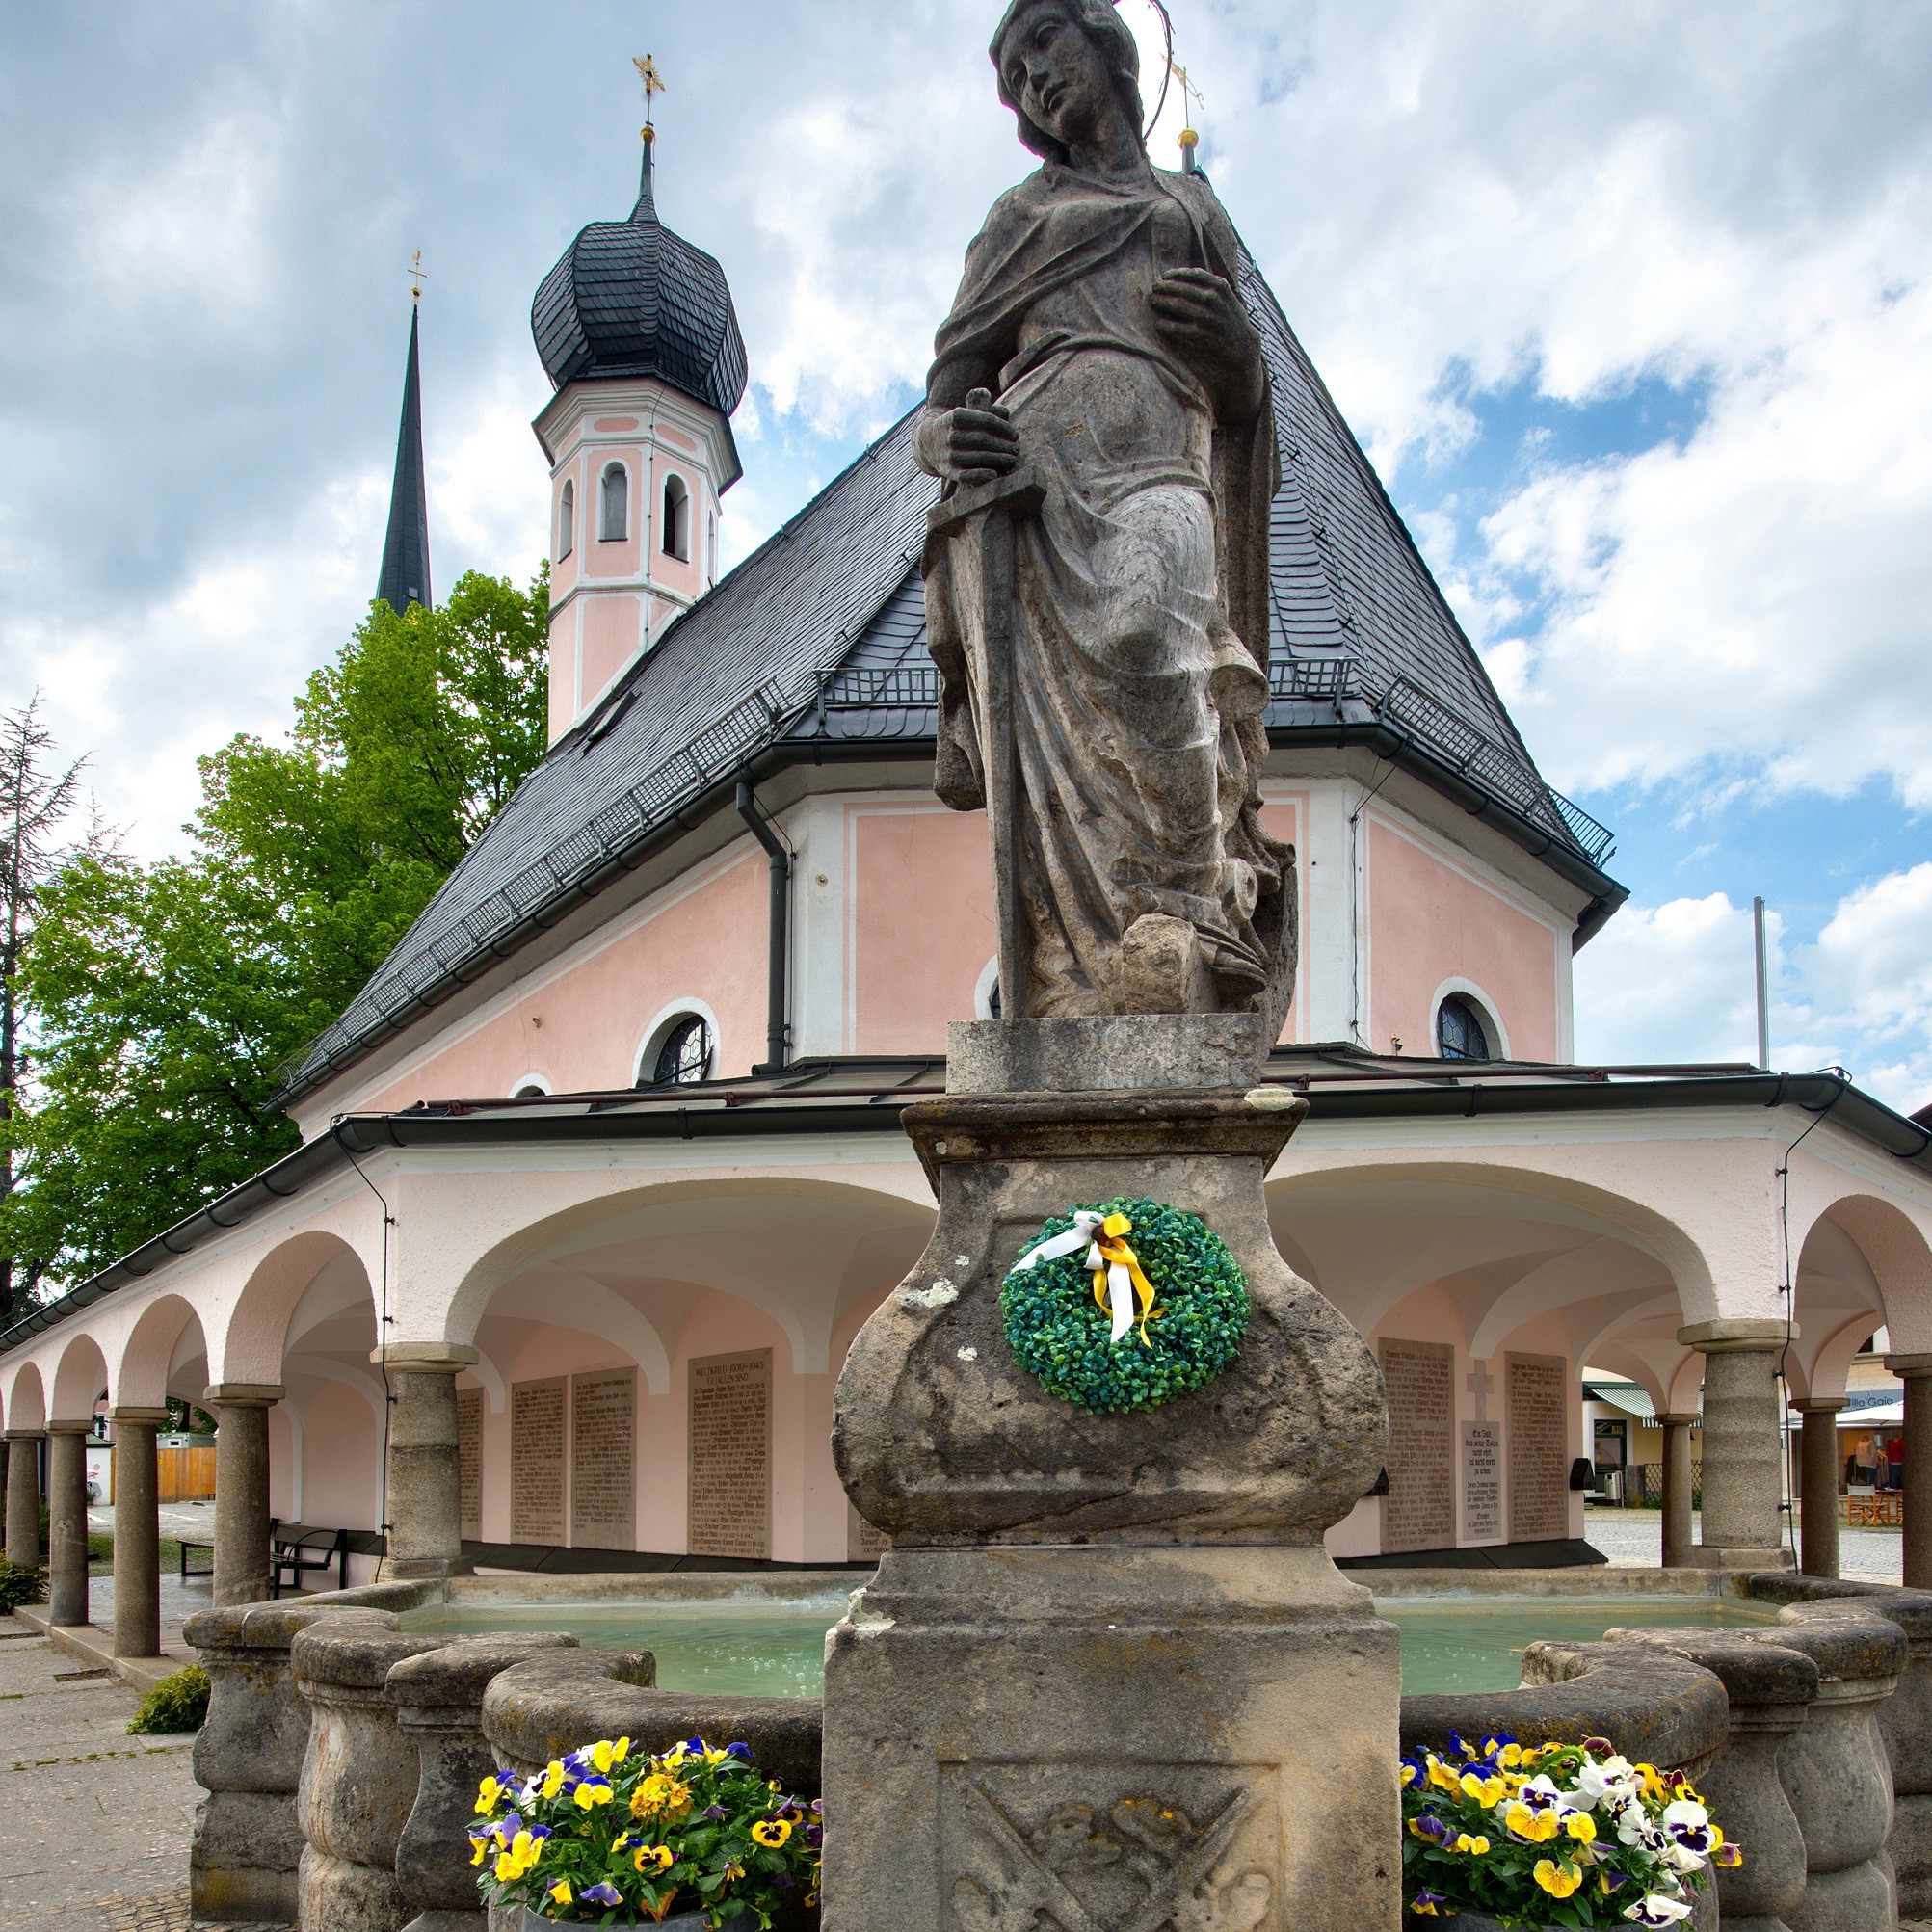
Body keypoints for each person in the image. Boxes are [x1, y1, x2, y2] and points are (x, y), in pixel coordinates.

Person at [916, 0, 1294, 1022]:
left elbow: (1247, 407)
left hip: (1156, 471)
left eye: (1043, 45)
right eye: (1011, 74)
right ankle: (1074, 975)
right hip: (1033, 494)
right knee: (1048, 761)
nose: (1031, 78)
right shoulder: (1016, 220)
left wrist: (1241, 360)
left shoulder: (1190, 212)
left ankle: (1187, 914)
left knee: (1150, 634)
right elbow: (947, 385)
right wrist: (940, 440)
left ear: (1106, 41)